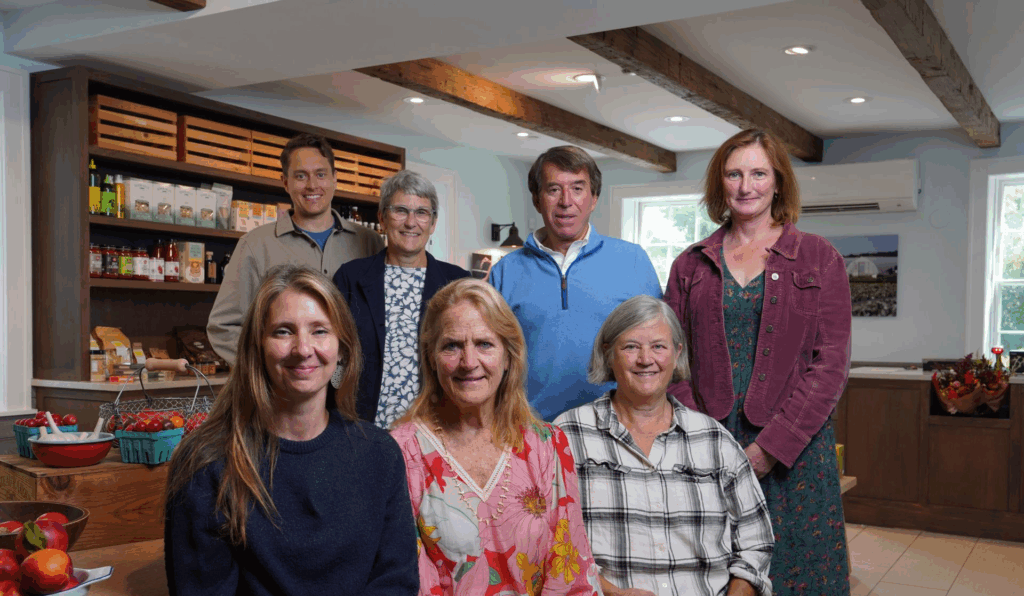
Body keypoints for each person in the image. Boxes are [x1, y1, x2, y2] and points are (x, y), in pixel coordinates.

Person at [665, 129, 853, 596]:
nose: (746, 186)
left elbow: (830, 365)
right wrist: (702, 440)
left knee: (798, 578)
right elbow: (671, 359)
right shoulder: (690, 264)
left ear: (778, 182)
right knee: (714, 576)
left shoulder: (819, 257)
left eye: (758, 174)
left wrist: (771, 448)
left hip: (794, 456)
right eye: (734, 174)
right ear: (720, 183)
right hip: (710, 450)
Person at [166, 265, 418, 596]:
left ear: (342, 349)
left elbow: (396, 583)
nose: (303, 349)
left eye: (319, 331)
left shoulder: (380, 454)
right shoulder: (207, 464)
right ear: (257, 347)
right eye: (283, 332)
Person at [390, 278, 602, 595]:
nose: (469, 362)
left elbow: (573, 578)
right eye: (451, 346)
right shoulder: (401, 451)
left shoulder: (549, 446)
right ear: (431, 358)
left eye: (484, 344)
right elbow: (406, 582)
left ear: (508, 356)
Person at [555, 296, 773, 596]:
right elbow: (545, 541)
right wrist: (608, 592)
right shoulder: (567, 435)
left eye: (658, 346)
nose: (646, 359)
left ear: (677, 353)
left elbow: (755, 543)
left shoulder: (715, 440)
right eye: (630, 347)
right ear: (608, 353)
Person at [489, 146, 662, 420]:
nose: (566, 201)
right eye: (553, 189)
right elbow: (491, 359)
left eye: (578, 189)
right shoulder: (504, 272)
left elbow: (658, 349)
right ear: (537, 200)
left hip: (616, 425)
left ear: (594, 198)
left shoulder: (633, 261)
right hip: (530, 426)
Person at [208, 133, 384, 366]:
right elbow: (222, 327)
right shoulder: (255, 245)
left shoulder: (370, 242)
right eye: (301, 176)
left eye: (321, 174)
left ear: (334, 178)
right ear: (285, 182)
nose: (312, 185)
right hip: (285, 386)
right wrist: (268, 369)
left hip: (354, 383)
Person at [334, 170, 469, 427]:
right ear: (382, 218)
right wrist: (332, 410)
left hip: (438, 427)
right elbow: (334, 356)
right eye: (400, 211)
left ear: (433, 223)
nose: (411, 222)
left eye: (422, 212)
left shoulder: (458, 282)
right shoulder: (350, 277)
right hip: (362, 427)